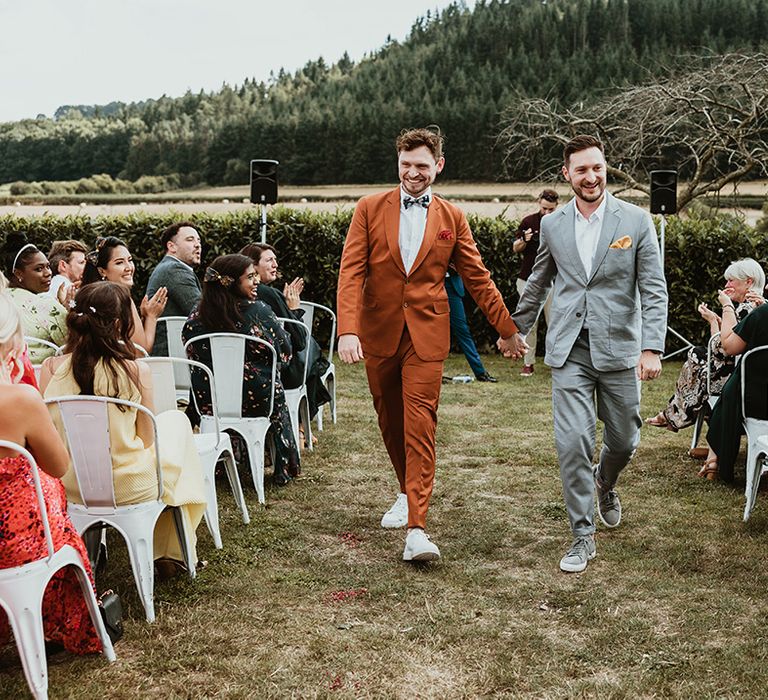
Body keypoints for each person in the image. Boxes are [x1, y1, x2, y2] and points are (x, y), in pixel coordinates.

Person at [336, 127, 517, 562]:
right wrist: (348, 329)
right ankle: (404, 489)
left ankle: (417, 528)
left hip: (427, 337)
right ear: (397, 163)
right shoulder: (368, 208)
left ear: (438, 166)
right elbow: (351, 271)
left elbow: (477, 277)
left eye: (421, 165)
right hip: (379, 333)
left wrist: (506, 328)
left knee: (421, 424)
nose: (413, 173)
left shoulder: (452, 218)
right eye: (405, 165)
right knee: (390, 420)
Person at [504, 134, 668, 573]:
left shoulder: (634, 221)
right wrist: (513, 328)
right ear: (567, 174)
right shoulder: (554, 225)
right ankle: (582, 535)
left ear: (605, 168)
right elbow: (538, 282)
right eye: (581, 170)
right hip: (569, 349)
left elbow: (653, 288)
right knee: (573, 443)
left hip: (619, 350)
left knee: (625, 439)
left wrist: (652, 347)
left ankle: (606, 481)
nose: (590, 176)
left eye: (596, 167)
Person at [40, 282, 207, 574]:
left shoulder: (51, 368)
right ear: (119, 323)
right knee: (177, 427)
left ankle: (166, 548)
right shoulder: (135, 368)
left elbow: (49, 436)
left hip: (71, 484)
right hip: (127, 486)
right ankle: (171, 549)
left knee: (174, 433)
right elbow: (145, 438)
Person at [0, 283, 101, 655]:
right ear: (11, 342)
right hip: (15, 545)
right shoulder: (19, 399)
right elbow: (59, 465)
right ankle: (54, 624)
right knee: (53, 504)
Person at [182, 254, 300, 485]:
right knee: (272, 387)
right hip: (257, 400)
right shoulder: (259, 311)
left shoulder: (196, 316)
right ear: (232, 282)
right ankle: (283, 467)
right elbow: (285, 356)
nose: (256, 281)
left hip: (209, 402)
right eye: (250, 277)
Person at [646, 258, 765, 436]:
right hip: (743, 371)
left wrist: (720, 312)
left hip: (738, 377)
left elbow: (721, 349)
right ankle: (672, 415)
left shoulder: (745, 309)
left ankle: (674, 415)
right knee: (699, 364)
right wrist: (717, 320)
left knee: (696, 362)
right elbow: (724, 342)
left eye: (731, 280)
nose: (726, 284)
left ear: (748, 281)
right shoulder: (752, 306)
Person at [240, 242, 331, 424]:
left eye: (275, 259)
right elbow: (298, 340)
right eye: (269, 260)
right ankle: (302, 423)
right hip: (276, 371)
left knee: (311, 355)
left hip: (241, 369)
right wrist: (294, 309)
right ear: (253, 266)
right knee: (311, 352)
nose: (275, 265)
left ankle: (301, 423)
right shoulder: (269, 295)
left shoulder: (234, 293)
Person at [702, 295, 768, 481]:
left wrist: (727, 307)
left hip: (757, 402)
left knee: (731, 389)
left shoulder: (762, 315)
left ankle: (714, 459)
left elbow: (729, 347)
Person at [82, 236, 168, 354]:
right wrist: (151, 317)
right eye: (119, 262)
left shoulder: (85, 295)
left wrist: (142, 317)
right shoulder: (121, 299)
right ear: (102, 271)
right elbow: (140, 352)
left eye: (130, 260)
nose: (129, 268)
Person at [0, 232, 68, 362]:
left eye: (48, 266)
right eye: (39, 269)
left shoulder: (3, 299)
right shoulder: (47, 306)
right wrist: (66, 306)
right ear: (18, 273)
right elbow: (72, 344)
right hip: (42, 377)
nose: (48, 273)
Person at [513, 189, 559, 376]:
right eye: (544, 208)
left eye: (551, 210)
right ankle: (528, 363)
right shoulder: (529, 222)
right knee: (529, 324)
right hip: (527, 280)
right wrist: (524, 239)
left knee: (555, 322)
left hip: (554, 281)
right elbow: (515, 247)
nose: (547, 213)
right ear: (539, 203)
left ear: (557, 206)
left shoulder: (561, 222)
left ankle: (557, 362)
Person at [146, 222, 202, 357]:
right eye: (190, 239)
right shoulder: (175, 270)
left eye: (199, 240)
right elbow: (201, 312)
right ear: (171, 246)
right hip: (171, 357)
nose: (197, 245)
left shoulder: (169, 267)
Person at [445, 264, 496, 382]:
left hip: (451, 285)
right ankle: (432, 372)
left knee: (462, 330)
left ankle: (480, 372)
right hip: (429, 286)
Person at [46, 239, 88, 304]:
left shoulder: (51, 285)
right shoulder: (69, 289)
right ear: (63, 266)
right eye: (81, 262)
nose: (86, 266)